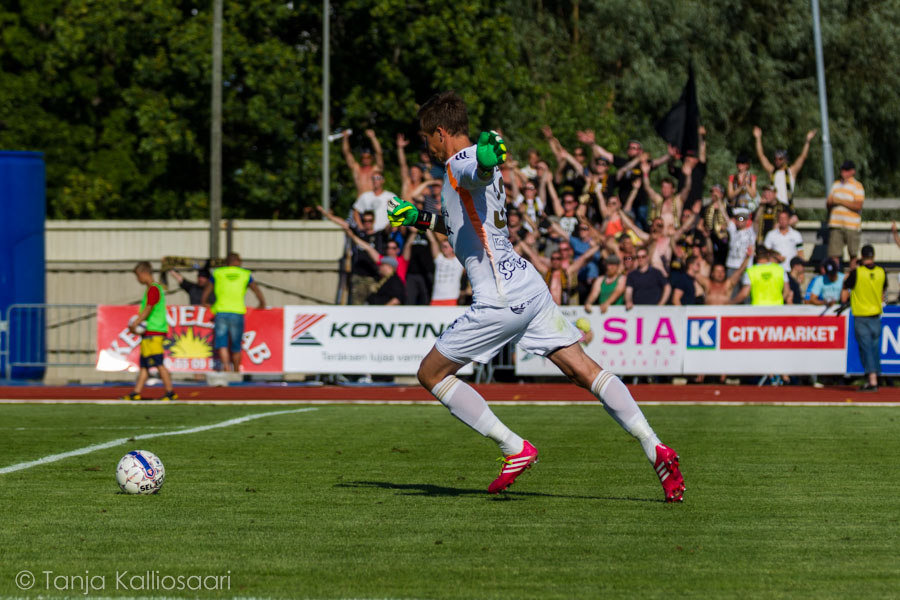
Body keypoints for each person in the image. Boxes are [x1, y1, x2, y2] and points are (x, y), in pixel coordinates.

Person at [386, 91, 684, 501]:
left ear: (441, 133)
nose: (428, 148)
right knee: (586, 371)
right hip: (527, 282)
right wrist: (422, 219)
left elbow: (478, 168)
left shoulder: (460, 163)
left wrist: (490, 157)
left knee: (431, 374)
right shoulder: (461, 171)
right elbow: (469, 229)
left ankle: (514, 447)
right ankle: (657, 448)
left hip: (499, 296)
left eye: (427, 139)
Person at [201, 252, 266, 372]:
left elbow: (207, 289)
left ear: (227, 262)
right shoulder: (245, 274)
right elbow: (256, 290)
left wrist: (204, 301)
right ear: (237, 262)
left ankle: (226, 368)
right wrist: (262, 303)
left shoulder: (218, 273)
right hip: (237, 312)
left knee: (222, 343)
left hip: (221, 312)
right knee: (236, 345)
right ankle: (236, 371)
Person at [121, 261, 177, 401]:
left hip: (154, 332)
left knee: (158, 363)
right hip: (149, 333)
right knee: (145, 365)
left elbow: (149, 308)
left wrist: (136, 323)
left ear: (144, 273)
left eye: (138, 276)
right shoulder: (152, 289)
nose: (138, 280)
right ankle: (136, 392)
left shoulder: (153, 288)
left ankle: (170, 392)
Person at [841, 244, 886, 392]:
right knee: (873, 348)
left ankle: (872, 381)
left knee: (866, 349)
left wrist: (852, 267)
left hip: (862, 314)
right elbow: (883, 292)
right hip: (876, 314)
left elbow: (846, 284)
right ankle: (875, 378)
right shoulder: (881, 272)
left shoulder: (857, 272)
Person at [753, 126, 816, 216]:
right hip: (773, 208)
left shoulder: (791, 172)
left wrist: (807, 141)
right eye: (775, 159)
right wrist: (758, 138)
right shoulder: (772, 172)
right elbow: (761, 156)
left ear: (785, 160)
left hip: (787, 208)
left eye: (780, 159)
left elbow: (803, 157)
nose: (777, 161)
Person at [826, 160, 865, 264]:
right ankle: (835, 277)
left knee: (853, 254)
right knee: (834, 254)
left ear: (853, 171)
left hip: (851, 226)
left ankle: (853, 277)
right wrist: (832, 203)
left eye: (846, 170)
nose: (843, 172)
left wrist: (840, 201)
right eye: (842, 169)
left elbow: (858, 205)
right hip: (836, 224)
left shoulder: (857, 186)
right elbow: (829, 202)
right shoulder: (835, 185)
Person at [426, 229, 464, 306]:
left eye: (446, 246)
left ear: (452, 248)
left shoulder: (459, 261)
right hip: (436, 298)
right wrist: (424, 227)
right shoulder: (439, 259)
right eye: (442, 246)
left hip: (452, 298)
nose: (443, 249)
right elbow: (433, 241)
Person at [351, 168, 396, 233]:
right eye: (373, 178)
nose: (375, 180)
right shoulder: (365, 196)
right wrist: (361, 227)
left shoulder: (390, 196)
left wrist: (392, 227)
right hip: (368, 233)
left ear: (383, 180)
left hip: (385, 233)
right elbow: (355, 212)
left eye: (378, 178)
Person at [342, 129, 384, 196]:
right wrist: (345, 138)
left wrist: (373, 137)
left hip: (373, 201)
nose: (366, 160)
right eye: (363, 157)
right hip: (361, 201)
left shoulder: (376, 169)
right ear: (361, 159)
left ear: (372, 158)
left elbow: (379, 153)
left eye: (368, 157)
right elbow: (346, 153)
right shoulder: (357, 169)